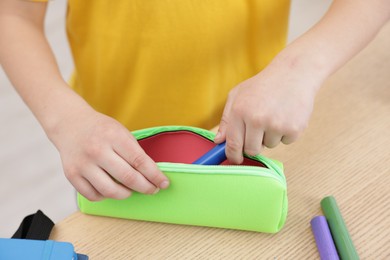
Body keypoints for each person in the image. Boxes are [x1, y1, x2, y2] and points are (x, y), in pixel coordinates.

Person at [0, 0, 389, 201]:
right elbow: (14, 11)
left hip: (252, 142)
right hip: (111, 149)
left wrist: (301, 68)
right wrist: (63, 119)